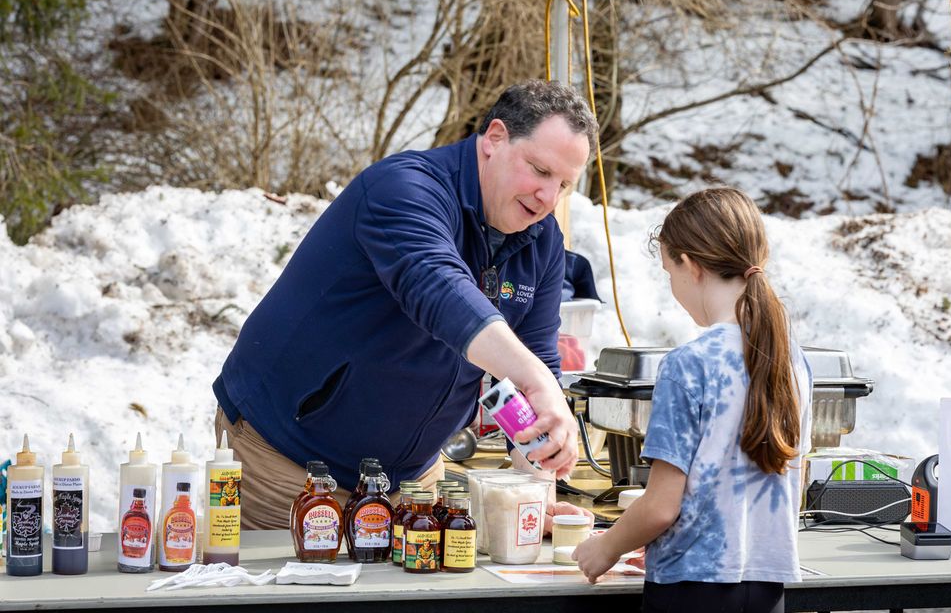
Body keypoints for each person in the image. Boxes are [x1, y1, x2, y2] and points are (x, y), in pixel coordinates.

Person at [212, 81, 598, 529]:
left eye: (564, 185)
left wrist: (537, 488)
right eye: (540, 170)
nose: (548, 198)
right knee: (296, 598)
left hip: (412, 479)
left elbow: (537, 362)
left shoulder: (543, 239)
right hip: (288, 460)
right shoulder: (404, 188)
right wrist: (536, 378)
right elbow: (438, 288)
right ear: (495, 138)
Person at [573, 188, 813, 613]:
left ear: (691, 265)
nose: (673, 288)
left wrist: (605, 547)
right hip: (767, 586)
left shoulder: (688, 364)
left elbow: (662, 506)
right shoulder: (792, 358)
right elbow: (793, 485)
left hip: (690, 590)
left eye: (669, 272)